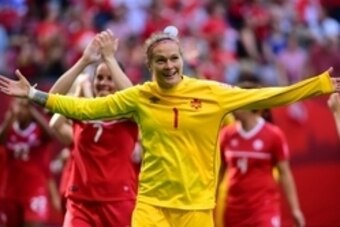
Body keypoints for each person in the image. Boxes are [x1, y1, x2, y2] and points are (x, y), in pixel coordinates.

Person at [0, 28, 340, 227]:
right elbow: (84, 108)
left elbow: (274, 95)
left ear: (183, 60)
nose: (169, 65)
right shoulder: (139, 97)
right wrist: (33, 94)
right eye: (161, 60)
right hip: (151, 206)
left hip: (196, 209)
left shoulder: (211, 94)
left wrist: (321, 85)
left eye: (174, 59)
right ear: (149, 65)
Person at [48, 30, 140, 226]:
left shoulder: (130, 115)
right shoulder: (83, 110)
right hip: (81, 203)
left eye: (109, 78)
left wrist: (110, 58)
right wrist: (84, 61)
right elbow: (51, 99)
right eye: (99, 78)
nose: (104, 83)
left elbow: (133, 98)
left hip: (119, 202)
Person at [219, 79, 305, 227]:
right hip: (234, 208)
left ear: (254, 106)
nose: (233, 106)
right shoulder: (226, 135)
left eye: (238, 102)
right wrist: (211, 200)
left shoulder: (273, 135)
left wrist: (295, 209)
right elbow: (219, 171)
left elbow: (284, 173)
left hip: (264, 207)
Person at [0, 98, 61, 227]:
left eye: (24, 107)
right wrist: (11, 116)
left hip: (34, 192)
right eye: (18, 106)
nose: (21, 110)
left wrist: (32, 110)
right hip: (10, 193)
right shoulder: (9, 129)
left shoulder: (38, 130)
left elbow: (51, 135)